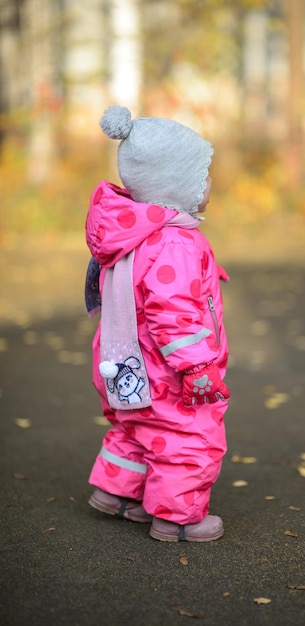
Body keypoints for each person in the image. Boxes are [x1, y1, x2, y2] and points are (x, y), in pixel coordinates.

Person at [84, 105, 230, 542]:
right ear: (176, 186)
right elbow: (173, 312)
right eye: (203, 176)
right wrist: (197, 367)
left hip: (123, 361)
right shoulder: (176, 242)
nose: (209, 184)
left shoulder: (133, 231)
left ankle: (118, 493)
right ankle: (177, 518)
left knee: (135, 426)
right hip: (165, 370)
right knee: (189, 436)